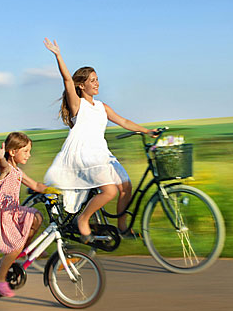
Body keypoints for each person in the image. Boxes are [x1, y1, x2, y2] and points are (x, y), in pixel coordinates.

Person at [42, 38, 155, 243]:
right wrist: (58, 55)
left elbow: (123, 121)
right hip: (83, 154)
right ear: (81, 85)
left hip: (101, 153)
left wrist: (147, 130)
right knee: (110, 190)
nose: (97, 83)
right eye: (92, 80)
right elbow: (67, 80)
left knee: (126, 186)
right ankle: (83, 221)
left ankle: (121, 228)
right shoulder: (78, 105)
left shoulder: (102, 107)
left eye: (97, 79)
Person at [0, 132, 48, 297]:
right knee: (15, 246)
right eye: (25, 151)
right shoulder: (5, 169)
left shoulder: (18, 172)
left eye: (29, 151)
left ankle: (24, 246)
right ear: (12, 152)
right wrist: (0, 157)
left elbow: (35, 185)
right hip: (0, 215)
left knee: (36, 217)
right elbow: (4, 164)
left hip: (11, 211)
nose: (29, 154)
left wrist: (56, 189)